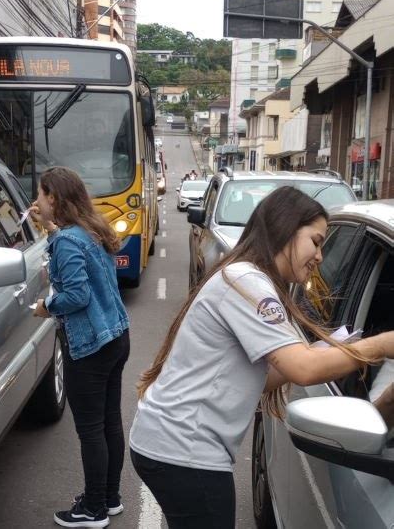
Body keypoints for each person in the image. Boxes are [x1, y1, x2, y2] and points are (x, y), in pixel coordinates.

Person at [129, 186, 394, 529]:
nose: (320, 257)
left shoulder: (245, 277)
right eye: (315, 242)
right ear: (285, 227)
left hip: (171, 444)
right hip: (185, 453)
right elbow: (303, 370)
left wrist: (312, 354)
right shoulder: (248, 282)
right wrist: (382, 345)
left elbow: (257, 376)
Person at [31, 166, 130, 529]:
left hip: (90, 345)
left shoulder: (68, 241)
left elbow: (76, 295)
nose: (37, 200)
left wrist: (46, 308)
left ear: (53, 197)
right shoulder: (90, 230)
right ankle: (109, 498)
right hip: (116, 337)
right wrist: (50, 229)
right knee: (109, 422)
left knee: (91, 430)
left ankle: (93, 510)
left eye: (41, 194)